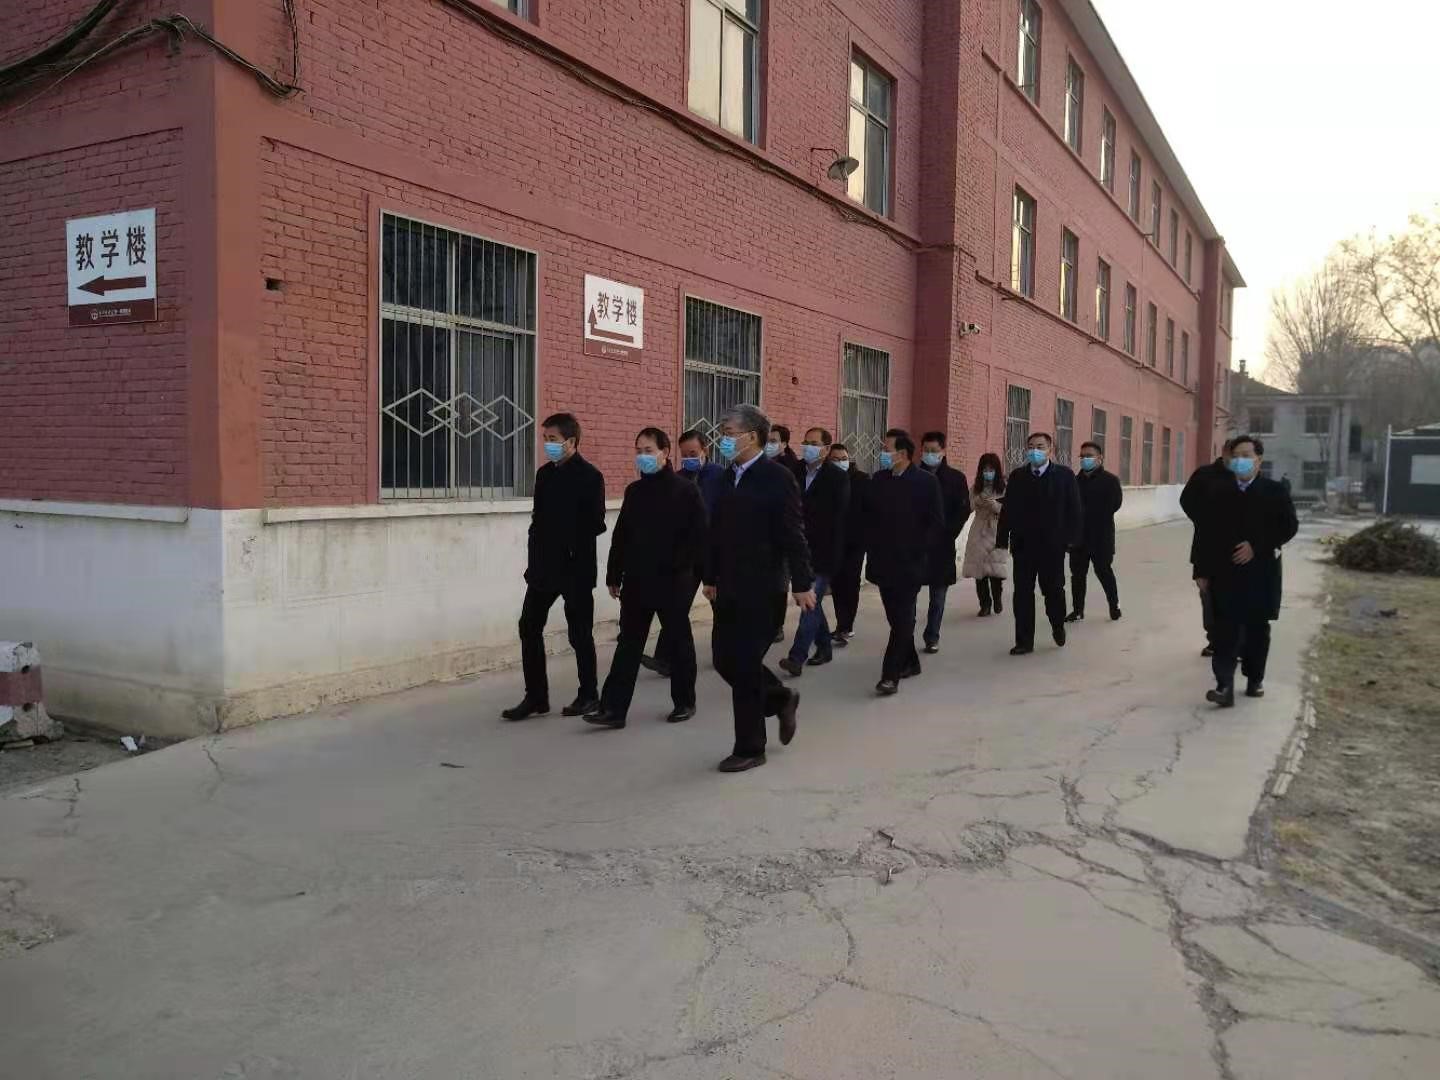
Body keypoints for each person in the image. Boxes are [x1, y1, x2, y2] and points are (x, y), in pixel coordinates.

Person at [704, 404, 816, 772]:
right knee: (724, 660)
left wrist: (802, 583)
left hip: (764, 587)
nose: (723, 439)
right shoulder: (724, 478)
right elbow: (714, 532)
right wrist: (709, 577)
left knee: (745, 663)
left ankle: (750, 747)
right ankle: (780, 698)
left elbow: (793, 533)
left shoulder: (777, 478)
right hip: (728, 586)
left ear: (752, 436)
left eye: (729, 433)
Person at [584, 429, 707, 729]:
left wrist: (684, 568)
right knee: (628, 644)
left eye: (649, 450)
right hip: (638, 580)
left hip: (672, 581)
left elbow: (699, 537)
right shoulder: (635, 491)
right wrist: (614, 573)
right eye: (639, 450)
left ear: (665, 452)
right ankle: (613, 710)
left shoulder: (685, 490)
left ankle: (685, 702)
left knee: (678, 642)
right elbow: (622, 535)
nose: (642, 456)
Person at [503, 413, 607, 720]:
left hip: (575, 568)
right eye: (545, 439)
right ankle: (536, 696)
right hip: (543, 568)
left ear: (571, 441)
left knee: (579, 634)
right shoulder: (544, 474)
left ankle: (589, 694)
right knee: (528, 626)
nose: (547, 444)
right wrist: (534, 559)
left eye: (553, 439)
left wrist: (566, 535)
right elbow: (537, 521)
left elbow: (596, 523)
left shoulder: (590, 476)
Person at [1193, 435, 1299, 707]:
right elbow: (1204, 533)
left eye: (1246, 455)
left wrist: (1257, 546)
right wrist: (1200, 571)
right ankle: (1224, 686)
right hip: (1223, 572)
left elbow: (1288, 527)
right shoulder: (1218, 492)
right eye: (1236, 455)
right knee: (1224, 630)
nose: (1240, 460)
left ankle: (1254, 679)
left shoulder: (1274, 491)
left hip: (1260, 573)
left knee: (1256, 630)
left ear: (1258, 460)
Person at [864, 429, 944, 695]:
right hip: (882, 562)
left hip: (910, 563)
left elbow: (936, 523)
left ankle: (890, 675)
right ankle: (911, 662)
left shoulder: (926, 482)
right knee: (895, 617)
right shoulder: (879, 479)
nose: (882, 453)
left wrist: (919, 550)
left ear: (902, 454)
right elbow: (869, 516)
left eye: (886, 449)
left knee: (902, 619)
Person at [644, 429, 726, 678]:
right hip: (688, 554)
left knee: (720, 609)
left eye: (693, 453)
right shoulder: (679, 479)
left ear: (705, 450)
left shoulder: (721, 476)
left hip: (715, 552)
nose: (689, 458)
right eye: (685, 455)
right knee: (676, 607)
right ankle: (664, 659)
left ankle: (723, 656)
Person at [997, 432, 1082, 656]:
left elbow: (1074, 510)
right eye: (1031, 446)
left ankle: (1057, 625)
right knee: (1022, 594)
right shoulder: (1017, 476)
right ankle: (1024, 641)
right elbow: (1007, 510)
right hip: (1023, 546)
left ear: (1050, 449)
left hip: (1052, 547)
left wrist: (1071, 540)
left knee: (1053, 591)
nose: (1035, 451)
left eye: (1040, 446)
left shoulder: (1064, 476)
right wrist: (1002, 539)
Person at [780, 427, 850, 676]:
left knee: (808, 603)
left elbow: (838, 519)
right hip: (797, 549)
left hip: (823, 552)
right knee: (813, 601)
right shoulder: (794, 471)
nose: (808, 447)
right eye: (806, 442)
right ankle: (824, 647)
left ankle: (796, 657)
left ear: (826, 449)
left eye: (814, 443)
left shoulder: (837, 477)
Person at [917, 431, 972, 654]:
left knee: (938, 596)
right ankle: (903, 634)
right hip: (915, 545)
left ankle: (932, 636)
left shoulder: (956, 478)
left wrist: (949, 533)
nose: (930, 454)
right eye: (926, 450)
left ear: (943, 451)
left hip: (942, 545)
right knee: (908, 595)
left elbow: (963, 510)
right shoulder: (913, 475)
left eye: (934, 450)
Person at [1181, 440, 1235, 657]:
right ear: (1224, 452)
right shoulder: (1204, 475)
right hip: (1207, 547)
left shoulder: (1245, 478)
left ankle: (1235, 642)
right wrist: (1206, 521)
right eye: (1234, 454)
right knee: (1208, 595)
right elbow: (1186, 501)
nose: (1238, 460)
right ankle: (1214, 640)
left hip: (1237, 551)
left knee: (1236, 598)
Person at [1067, 441, 1124, 622]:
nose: (1085, 459)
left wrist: (1088, 512)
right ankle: (1078, 610)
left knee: (1104, 572)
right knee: (1077, 576)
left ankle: (1114, 605)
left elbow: (1114, 505)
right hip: (1078, 538)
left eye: (1089, 456)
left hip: (1101, 537)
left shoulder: (1110, 481)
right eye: (1082, 456)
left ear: (1100, 458)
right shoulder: (1074, 481)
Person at [827, 442, 869, 647]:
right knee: (836, 584)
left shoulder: (861, 479)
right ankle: (840, 624)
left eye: (843, 458)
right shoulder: (825, 479)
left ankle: (846, 626)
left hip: (855, 542)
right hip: (833, 541)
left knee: (850, 583)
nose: (840, 462)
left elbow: (868, 510)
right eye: (835, 459)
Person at [765, 425, 803, 642]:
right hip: (762, 535)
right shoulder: (760, 465)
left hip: (783, 534)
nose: (768, 444)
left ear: (785, 444)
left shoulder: (792, 469)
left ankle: (777, 625)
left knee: (779, 583)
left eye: (773, 441)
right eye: (767, 440)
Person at [962, 453, 1008, 616]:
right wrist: (978, 500)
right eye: (985, 470)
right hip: (979, 532)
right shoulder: (976, 488)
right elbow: (968, 507)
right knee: (979, 571)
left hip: (997, 531)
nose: (988, 473)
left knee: (995, 570)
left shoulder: (1004, 487)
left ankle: (997, 598)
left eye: (991, 470)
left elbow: (1009, 511)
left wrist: (994, 505)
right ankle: (985, 604)